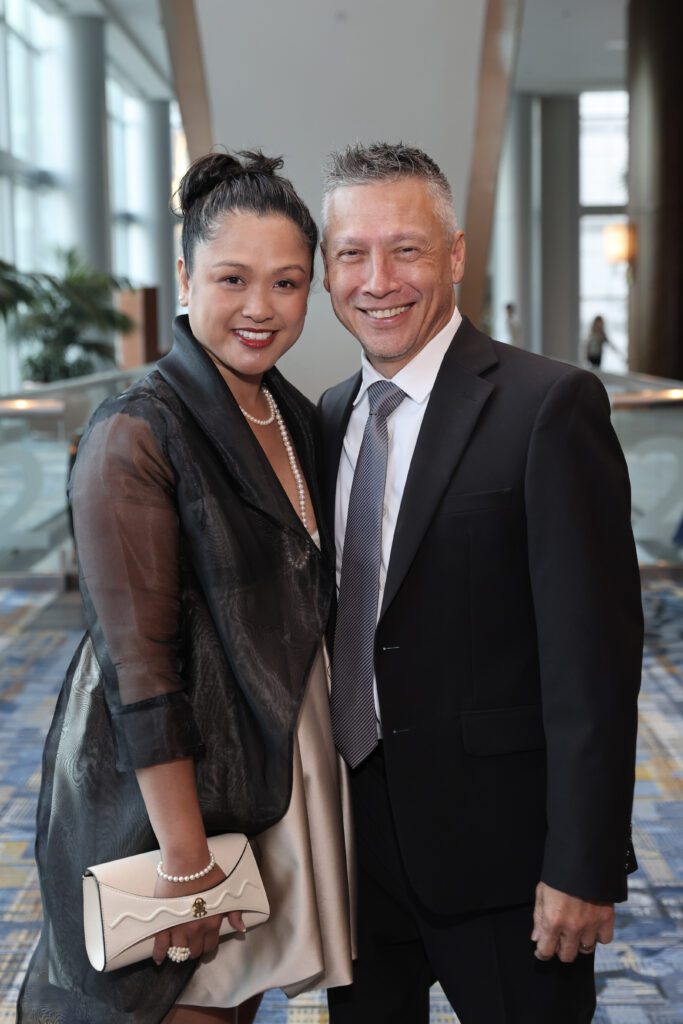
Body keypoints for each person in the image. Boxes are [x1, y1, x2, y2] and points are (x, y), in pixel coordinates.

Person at [17, 150, 355, 1024]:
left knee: (236, 1008)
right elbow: (142, 668)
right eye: (232, 278)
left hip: (256, 774)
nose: (259, 308)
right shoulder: (135, 433)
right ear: (182, 277)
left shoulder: (291, 412)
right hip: (166, 803)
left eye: (286, 284)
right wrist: (183, 856)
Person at [317, 142, 643, 1024]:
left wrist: (581, 863)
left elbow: (594, 665)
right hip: (355, 858)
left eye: (407, 250)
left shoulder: (547, 407)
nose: (377, 279)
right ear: (326, 269)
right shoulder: (326, 416)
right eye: (351, 254)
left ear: (455, 255)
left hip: (505, 865)